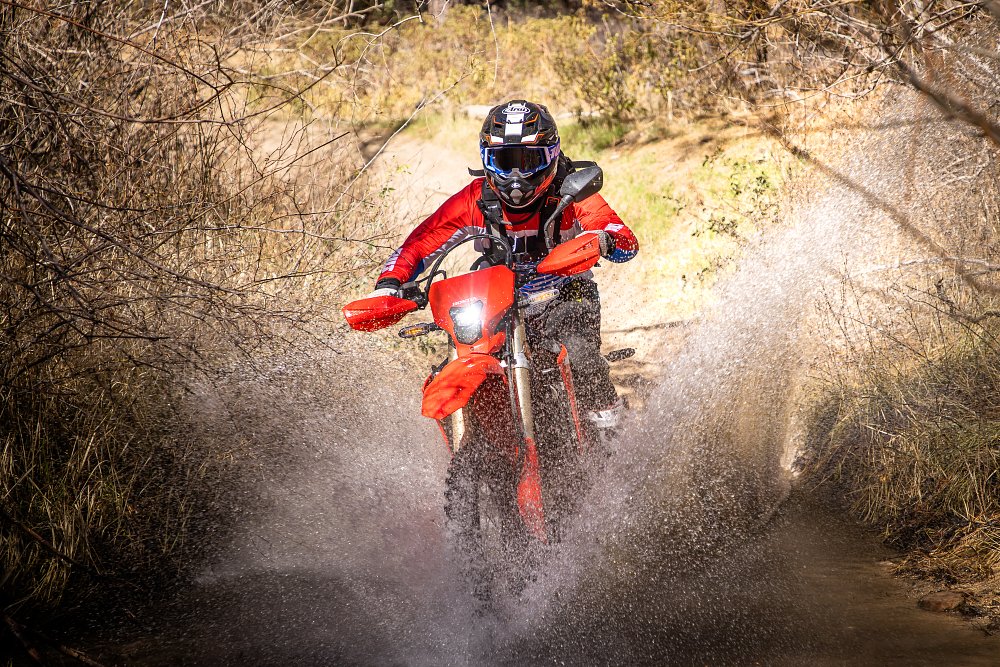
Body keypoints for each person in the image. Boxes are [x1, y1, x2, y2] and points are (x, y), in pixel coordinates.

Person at [368, 100, 638, 432]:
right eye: (504, 161)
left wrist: (604, 240)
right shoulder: (475, 199)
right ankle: (471, 442)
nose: (515, 176)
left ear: (551, 156)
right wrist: (390, 284)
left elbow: (622, 236)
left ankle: (611, 425)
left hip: (566, 293)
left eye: (527, 161)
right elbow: (420, 243)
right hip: (496, 301)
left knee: (581, 355)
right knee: (449, 363)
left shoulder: (572, 191)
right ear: (486, 159)